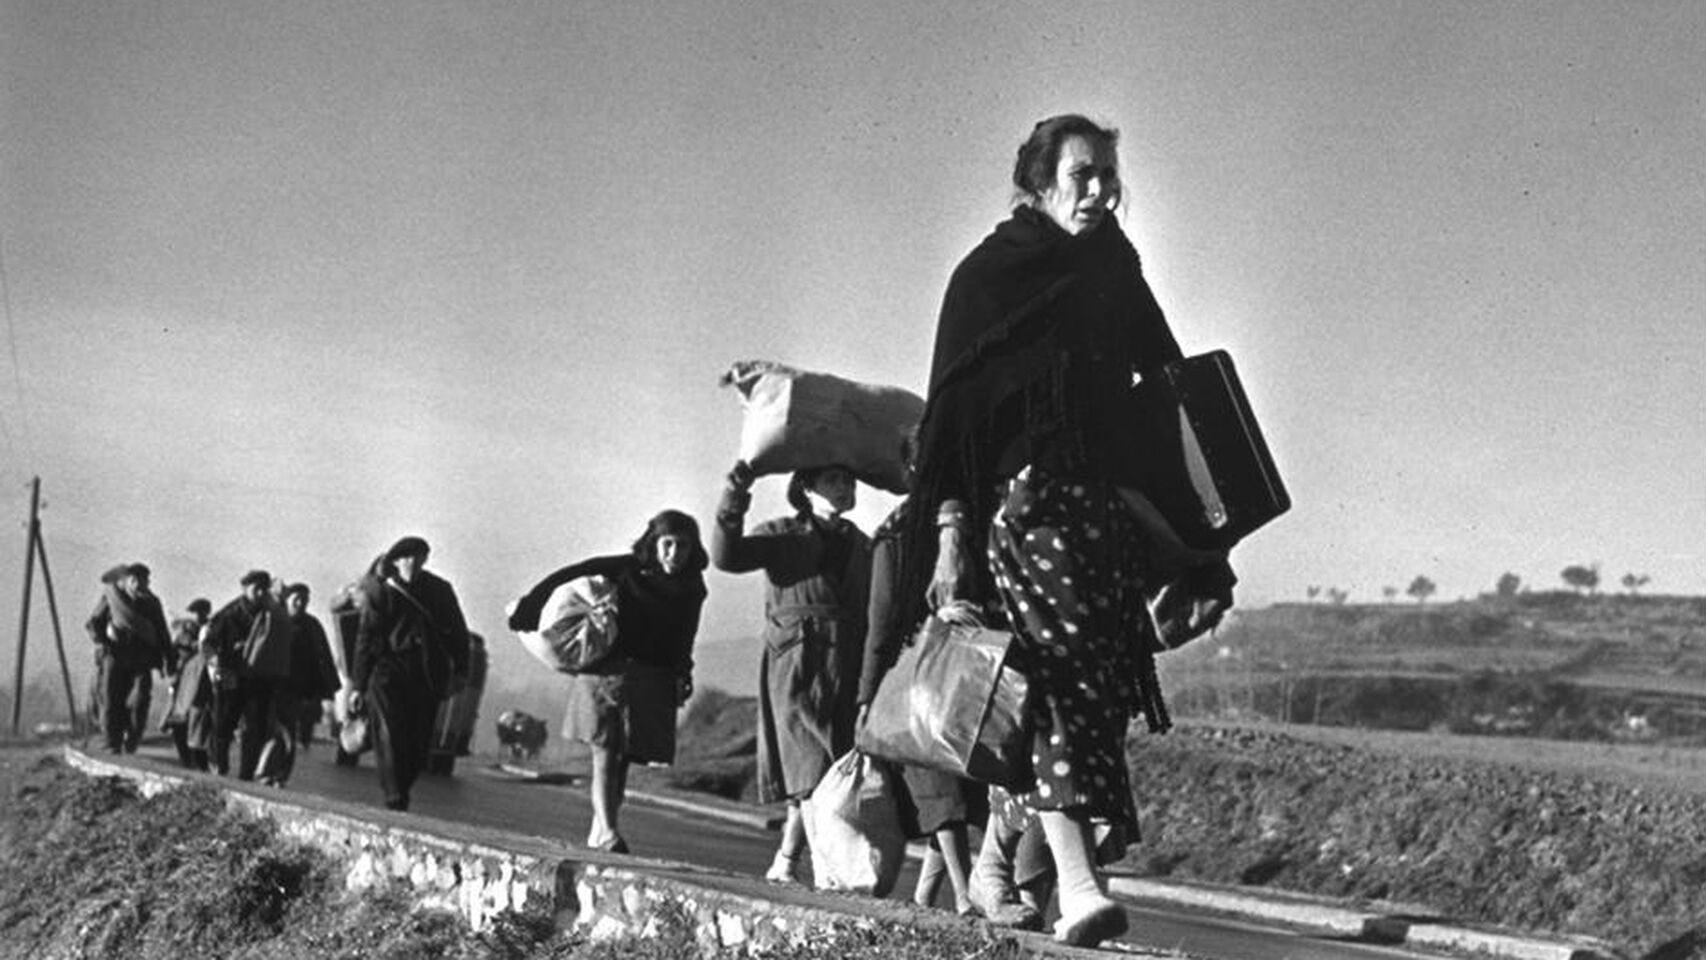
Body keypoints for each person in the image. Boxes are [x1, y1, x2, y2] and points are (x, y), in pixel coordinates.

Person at [901, 114, 1233, 946]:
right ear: (1038, 180)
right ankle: (1082, 885)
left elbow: (1164, 372)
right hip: (1024, 511)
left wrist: (1201, 529)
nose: (1098, 191)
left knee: (1100, 690)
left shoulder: (1113, 265)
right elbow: (951, 430)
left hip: (1106, 510)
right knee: (1055, 686)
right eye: (1081, 175)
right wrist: (949, 536)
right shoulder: (987, 279)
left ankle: (992, 865)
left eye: (1106, 176)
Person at [508, 509, 709, 853]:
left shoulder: (692, 589)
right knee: (604, 754)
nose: (674, 554)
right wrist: (530, 605)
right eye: (668, 544)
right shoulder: (626, 568)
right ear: (654, 543)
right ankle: (609, 833)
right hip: (606, 675)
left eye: (683, 547)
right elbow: (571, 573)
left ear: (693, 551)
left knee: (624, 762)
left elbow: (684, 637)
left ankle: (601, 828)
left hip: (651, 680)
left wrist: (683, 674)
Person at [712, 462, 872, 884]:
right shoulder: (781, 534)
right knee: (809, 763)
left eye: (849, 480)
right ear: (807, 487)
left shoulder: (865, 547)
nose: (845, 487)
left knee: (835, 763)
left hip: (847, 664)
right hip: (796, 661)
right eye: (834, 480)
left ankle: (787, 860)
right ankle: (821, 868)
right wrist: (734, 498)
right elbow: (727, 557)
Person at [857, 492, 988, 916]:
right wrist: (868, 695)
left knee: (947, 791)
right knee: (942, 791)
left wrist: (869, 694)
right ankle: (965, 895)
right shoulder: (903, 540)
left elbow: (881, 626)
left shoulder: (897, 539)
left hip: (938, 672)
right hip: (930, 678)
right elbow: (881, 626)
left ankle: (926, 899)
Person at [348, 536, 471, 811]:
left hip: (427, 674)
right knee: (390, 733)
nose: (412, 563)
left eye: (419, 557)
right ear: (395, 562)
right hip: (388, 672)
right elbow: (366, 639)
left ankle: (402, 786)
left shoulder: (440, 591)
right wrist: (358, 685)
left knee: (419, 741)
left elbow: (458, 633)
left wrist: (462, 670)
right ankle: (395, 795)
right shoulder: (383, 592)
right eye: (406, 557)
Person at [204, 570, 293, 780]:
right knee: (224, 723)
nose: (260, 593)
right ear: (245, 589)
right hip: (231, 674)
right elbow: (209, 642)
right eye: (256, 588)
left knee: (255, 728)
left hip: (259, 678)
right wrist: (215, 661)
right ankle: (219, 767)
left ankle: (245, 774)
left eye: (264, 588)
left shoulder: (273, 614)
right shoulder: (230, 613)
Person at [84, 563, 172, 754]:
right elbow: (93, 623)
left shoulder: (152, 603)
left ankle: (132, 739)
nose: (140, 585)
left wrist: (169, 658)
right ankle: (111, 743)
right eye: (136, 581)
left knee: (140, 700)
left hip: (142, 658)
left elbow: (162, 631)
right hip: (115, 656)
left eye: (144, 581)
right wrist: (103, 641)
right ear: (127, 581)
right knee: (111, 699)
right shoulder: (112, 598)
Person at [280, 583, 340, 753]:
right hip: (282, 680)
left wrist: (330, 685)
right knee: (285, 722)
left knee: (306, 719)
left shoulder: (313, 624)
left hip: (307, 683)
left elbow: (325, 654)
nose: (301, 603)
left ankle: (301, 746)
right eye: (296, 599)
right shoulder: (279, 621)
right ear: (287, 600)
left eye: (305, 600)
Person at [162, 597, 214, 769]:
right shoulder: (186, 632)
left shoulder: (210, 630)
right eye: (196, 612)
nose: (199, 615)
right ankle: (190, 764)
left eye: (202, 612)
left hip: (200, 685)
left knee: (196, 728)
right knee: (180, 724)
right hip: (182, 683)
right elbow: (173, 652)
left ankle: (199, 765)